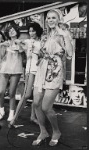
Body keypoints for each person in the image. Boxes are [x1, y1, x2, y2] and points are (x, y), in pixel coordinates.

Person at [32, 9, 73, 146]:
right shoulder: (45, 34)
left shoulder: (64, 33)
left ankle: (56, 131)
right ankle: (43, 131)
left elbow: (70, 54)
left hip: (54, 70)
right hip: (41, 68)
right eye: (48, 18)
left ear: (59, 19)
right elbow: (41, 51)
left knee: (45, 107)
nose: (50, 20)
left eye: (53, 18)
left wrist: (65, 35)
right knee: (36, 103)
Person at [9, 22, 43, 126]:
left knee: (37, 96)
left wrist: (39, 53)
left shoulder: (42, 42)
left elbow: (43, 55)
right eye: (30, 31)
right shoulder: (28, 41)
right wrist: (20, 43)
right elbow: (17, 45)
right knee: (26, 94)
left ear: (37, 31)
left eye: (33, 31)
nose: (31, 33)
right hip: (30, 70)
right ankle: (14, 118)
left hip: (41, 70)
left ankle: (33, 116)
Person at [0, 24, 24, 121]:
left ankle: (12, 113)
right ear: (7, 33)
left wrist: (19, 44)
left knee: (12, 93)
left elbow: (22, 51)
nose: (11, 31)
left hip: (16, 70)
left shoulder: (21, 42)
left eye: (13, 29)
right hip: (4, 69)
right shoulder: (5, 43)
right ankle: (1, 111)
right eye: (9, 30)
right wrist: (2, 46)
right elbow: (0, 56)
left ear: (17, 31)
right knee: (0, 92)